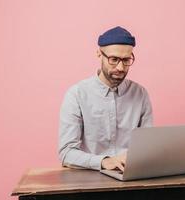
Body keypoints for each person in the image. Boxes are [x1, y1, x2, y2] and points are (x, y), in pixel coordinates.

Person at [58, 26, 153, 172]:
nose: (120, 67)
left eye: (126, 60)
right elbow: (66, 153)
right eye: (113, 59)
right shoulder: (76, 95)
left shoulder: (140, 94)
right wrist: (104, 161)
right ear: (99, 54)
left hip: (132, 178)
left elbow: (147, 146)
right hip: (91, 181)